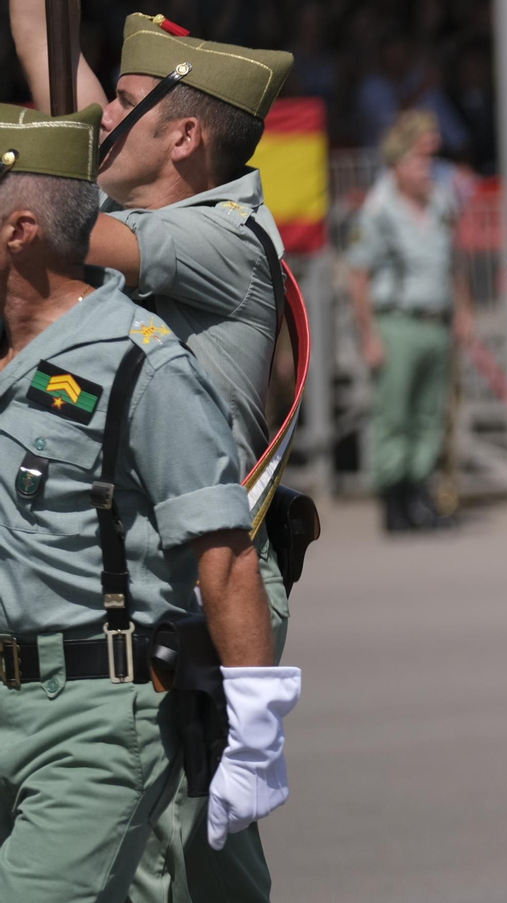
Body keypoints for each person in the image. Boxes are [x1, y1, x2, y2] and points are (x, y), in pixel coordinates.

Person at [5, 10, 300, 901]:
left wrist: (37, 168)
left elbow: (51, 216)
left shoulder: (219, 238)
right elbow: (64, 157)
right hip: (136, 562)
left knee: (159, 846)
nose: (100, 121)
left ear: (181, 137)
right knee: (204, 849)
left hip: (203, 569)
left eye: (125, 103)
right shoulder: (163, 211)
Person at [348, 110, 475, 532]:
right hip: (397, 322)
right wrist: (369, 336)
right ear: (398, 165)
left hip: (435, 321)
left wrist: (463, 312)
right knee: (395, 414)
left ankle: (421, 493)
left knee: (429, 414)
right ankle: (394, 500)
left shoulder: (440, 200)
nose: (428, 170)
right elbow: (359, 277)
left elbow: (452, 261)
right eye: (420, 162)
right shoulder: (379, 208)